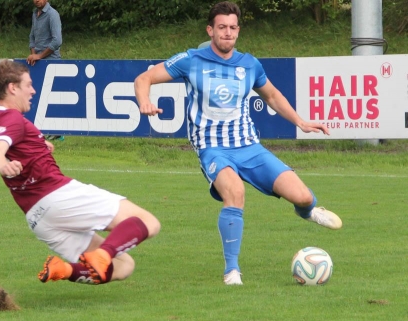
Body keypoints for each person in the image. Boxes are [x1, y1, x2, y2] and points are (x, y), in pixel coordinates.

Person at [134, 1, 342, 286]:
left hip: (249, 146)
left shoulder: (249, 64)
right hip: (212, 147)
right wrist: (144, 101)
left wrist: (301, 122)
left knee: (303, 196)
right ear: (210, 30)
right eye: (222, 27)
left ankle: (308, 211)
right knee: (235, 193)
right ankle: (232, 271)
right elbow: (144, 78)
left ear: (238, 31)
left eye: (232, 28)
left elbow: (271, 96)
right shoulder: (191, 60)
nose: (228, 33)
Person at [0, 60, 160, 285]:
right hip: (56, 196)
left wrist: (27, 151)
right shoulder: (12, 117)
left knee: (123, 267)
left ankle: (63, 270)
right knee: (148, 222)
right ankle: (102, 254)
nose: (33, 90)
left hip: (37, 217)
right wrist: (2, 163)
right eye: (28, 85)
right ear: (12, 88)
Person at [27, 0, 63, 140]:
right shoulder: (35, 14)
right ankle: (43, 130)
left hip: (52, 61)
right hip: (38, 62)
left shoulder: (53, 14)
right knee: (40, 96)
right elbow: (32, 37)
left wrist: (39, 56)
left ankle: (57, 132)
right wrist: (33, 54)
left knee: (52, 97)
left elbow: (57, 41)